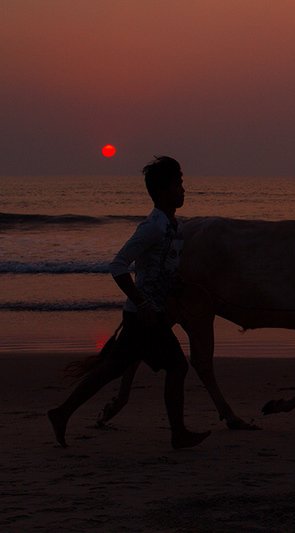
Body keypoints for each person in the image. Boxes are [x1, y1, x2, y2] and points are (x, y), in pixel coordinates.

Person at [48, 156, 210, 449]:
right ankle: (178, 434)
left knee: (110, 370)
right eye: (178, 185)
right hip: (144, 317)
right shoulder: (152, 228)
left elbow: (157, 270)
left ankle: (61, 413)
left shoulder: (173, 227)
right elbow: (118, 265)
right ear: (162, 192)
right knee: (177, 367)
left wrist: (177, 284)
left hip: (146, 315)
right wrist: (143, 303)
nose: (183, 190)